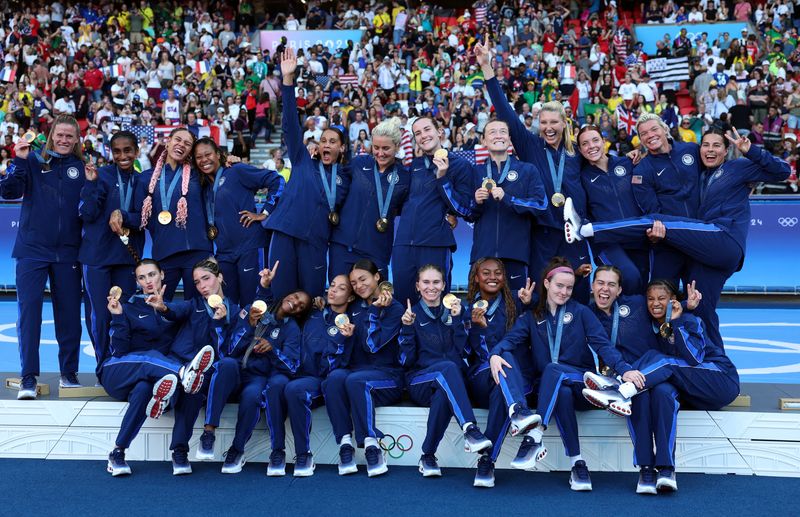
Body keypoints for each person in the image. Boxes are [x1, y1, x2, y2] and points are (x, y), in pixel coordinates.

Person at [564, 127, 790, 346]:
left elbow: (783, 171)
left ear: (726, 149)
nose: (710, 150)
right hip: (696, 249)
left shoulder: (737, 167)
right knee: (699, 309)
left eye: (716, 146)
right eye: (706, 146)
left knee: (659, 220)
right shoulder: (699, 173)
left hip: (721, 237)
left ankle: (586, 229)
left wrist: (750, 150)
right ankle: (715, 367)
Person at [490, 258, 644, 491]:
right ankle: (577, 464)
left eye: (569, 287)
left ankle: (535, 436)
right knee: (558, 389)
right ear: (547, 284)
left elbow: (603, 346)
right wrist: (494, 354)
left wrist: (624, 369)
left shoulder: (581, 312)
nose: (564, 292)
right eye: (559, 286)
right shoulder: (533, 316)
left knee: (556, 372)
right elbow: (509, 341)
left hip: (581, 384)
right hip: (551, 390)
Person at [582, 278, 740, 492]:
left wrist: (678, 318)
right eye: (650, 299)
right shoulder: (654, 325)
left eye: (662, 298)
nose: (655, 303)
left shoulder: (689, 320)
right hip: (689, 388)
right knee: (661, 392)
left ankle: (620, 391)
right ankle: (658, 469)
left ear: (672, 300)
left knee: (662, 361)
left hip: (720, 380)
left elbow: (694, 358)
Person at [475, 36, 590, 302]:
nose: (548, 127)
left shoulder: (576, 152)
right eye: (543, 122)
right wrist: (487, 68)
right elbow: (505, 112)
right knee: (540, 297)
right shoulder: (530, 145)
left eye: (554, 122)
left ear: (564, 123)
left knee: (578, 294)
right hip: (542, 233)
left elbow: (600, 165)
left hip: (574, 233)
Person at [195, 262, 311, 476]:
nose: (295, 303)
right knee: (226, 364)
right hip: (237, 371)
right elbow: (230, 349)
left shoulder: (291, 329)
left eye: (301, 306)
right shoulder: (252, 310)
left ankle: (237, 450)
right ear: (287, 294)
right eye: (295, 297)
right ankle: (209, 432)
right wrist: (248, 325)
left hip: (257, 377)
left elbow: (293, 366)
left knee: (252, 396)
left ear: (300, 313)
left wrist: (273, 349)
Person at [101, 259, 215, 476]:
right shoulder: (127, 307)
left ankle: (119, 453)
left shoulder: (173, 309)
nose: (148, 281)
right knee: (149, 358)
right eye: (142, 277)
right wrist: (117, 316)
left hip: (152, 380)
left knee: (154, 388)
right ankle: (182, 373)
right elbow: (119, 350)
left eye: (152, 275)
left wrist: (163, 307)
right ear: (137, 281)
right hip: (120, 371)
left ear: (162, 275)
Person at [2, 115, 86, 397]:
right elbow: (10, 190)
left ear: (76, 140)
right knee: (29, 314)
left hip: (69, 253)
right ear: (51, 136)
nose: (63, 140)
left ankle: (69, 373)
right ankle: (28, 378)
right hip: (32, 251)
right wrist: (20, 160)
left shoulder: (82, 169)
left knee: (70, 316)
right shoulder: (33, 161)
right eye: (59, 135)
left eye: (69, 136)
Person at [267, 48, 351, 299]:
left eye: (332, 141)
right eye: (323, 139)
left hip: (316, 242)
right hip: (286, 233)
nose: (326, 144)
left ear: (342, 148)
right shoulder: (303, 159)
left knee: (311, 299)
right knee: (282, 298)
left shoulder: (346, 175)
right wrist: (288, 81)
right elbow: (290, 125)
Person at [145, 258, 239, 475]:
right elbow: (175, 310)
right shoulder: (194, 305)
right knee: (192, 387)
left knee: (227, 364)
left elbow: (229, 351)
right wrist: (163, 307)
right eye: (197, 282)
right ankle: (179, 452)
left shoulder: (235, 311)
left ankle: (208, 431)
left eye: (206, 278)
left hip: (218, 375)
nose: (202, 286)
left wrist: (219, 324)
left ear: (220, 278)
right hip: (187, 369)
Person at [398, 264, 493, 478]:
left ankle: (428, 455)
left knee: (443, 394)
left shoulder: (457, 311)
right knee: (447, 369)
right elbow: (406, 361)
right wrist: (406, 328)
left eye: (436, 282)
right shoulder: (410, 315)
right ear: (417, 286)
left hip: (451, 383)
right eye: (426, 282)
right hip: (420, 381)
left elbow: (464, 351)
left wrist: (459, 320)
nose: (431, 287)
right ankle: (470, 428)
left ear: (443, 285)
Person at [322, 259, 404, 477]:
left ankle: (371, 444)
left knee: (355, 380)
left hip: (388, 377)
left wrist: (376, 312)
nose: (358, 286)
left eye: (363, 279)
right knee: (334, 378)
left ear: (377, 276)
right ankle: (345, 444)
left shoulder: (394, 308)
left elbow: (372, 345)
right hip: (357, 373)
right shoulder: (355, 307)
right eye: (354, 283)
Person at [465, 257, 540, 488]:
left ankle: (486, 460)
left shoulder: (514, 304)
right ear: (476, 278)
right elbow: (472, 353)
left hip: (512, 380)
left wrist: (530, 302)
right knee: (502, 358)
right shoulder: (466, 310)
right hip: (481, 377)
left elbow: (539, 316)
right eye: (485, 273)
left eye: (497, 273)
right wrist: (481, 330)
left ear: (504, 277)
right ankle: (519, 410)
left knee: (502, 385)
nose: (492, 277)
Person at [113, 127, 212, 301]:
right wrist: (122, 215)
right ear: (168, 142)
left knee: (197, 311)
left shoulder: (199, 174)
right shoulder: (145, 178)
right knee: (159, 309)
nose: (181, 145)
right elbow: (139, 220)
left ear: (191, 150)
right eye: (178, 140)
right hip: (165, 255)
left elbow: (218, 171)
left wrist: (228, 160)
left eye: (187, 143)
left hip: (197, 253)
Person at [80, 131, 146, 377]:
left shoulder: (143, 181)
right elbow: (87, 213)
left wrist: (125, 216)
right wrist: (90, 184)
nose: (123, 156)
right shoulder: (100, 175)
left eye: (128, 150)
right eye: (117, 151)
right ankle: (102, 367)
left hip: (127, 258)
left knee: (124, 312)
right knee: (99, 315)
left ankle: (119, 364)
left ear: (136, 151)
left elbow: (145, 219)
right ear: (110, 152)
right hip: (97, 257)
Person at [279, 274, 355, 476]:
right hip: (301, 375)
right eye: (332, 286)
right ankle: (295, 453)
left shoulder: (349, 325)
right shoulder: (314, 313)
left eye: (341, 289)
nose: (333, 290)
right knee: (288, 387)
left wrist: (341, 338)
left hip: (326, 380)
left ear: (350, 297)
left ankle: (335, 448)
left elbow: (334, 365)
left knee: (318, 383)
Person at [193, 137, 284, 306]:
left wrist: (264, 213)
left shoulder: (236, 170)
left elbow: (277, 181)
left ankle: (258, 333)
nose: (204, 160)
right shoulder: (202, 185)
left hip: (249, 247)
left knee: (254, 302)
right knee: (230, 304)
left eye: (208, 154)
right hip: (224, 253)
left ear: (218, 154)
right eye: (199, 157)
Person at [392, 116, 473, 303]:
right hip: (404, 244)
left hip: (435, 243)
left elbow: (465, 209)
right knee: (404, 303)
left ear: (440, 132)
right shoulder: (413, 166)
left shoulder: (460, 165)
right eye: (417, 133)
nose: (423, 136)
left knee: (436, 303)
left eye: (427, 129)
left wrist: (442, 178)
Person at [468, 120, 547, 291]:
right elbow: (468, 213)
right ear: (484, 140)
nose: (498, 135)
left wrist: (508, 198)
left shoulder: (527, 170)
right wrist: (476, 202)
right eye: (492, 132)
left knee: (515, 310)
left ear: (510, 139)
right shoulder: (475, 171)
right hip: (482, 254)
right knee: (481, 310)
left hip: (515, 254)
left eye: (502, 131)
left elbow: (541, 205)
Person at [329, 117, 410, 280]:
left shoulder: (405, 177)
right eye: (376, 147)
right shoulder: (359, 163)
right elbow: (335, 183)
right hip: (343, 245)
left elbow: (410, 207)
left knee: (376, 301)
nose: (380, 153)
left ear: (397, 146)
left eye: (386, 148)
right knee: (339, 299)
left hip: (377, 249)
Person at [575, 125, 648, 294]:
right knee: (629, 277)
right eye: (585, 143)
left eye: (595, 140)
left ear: (604, 141)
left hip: (637, 237)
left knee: (642, 286)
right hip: (606, 242)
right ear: (580, 149)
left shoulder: (626, 163)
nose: (591, 146)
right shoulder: (581, 176)